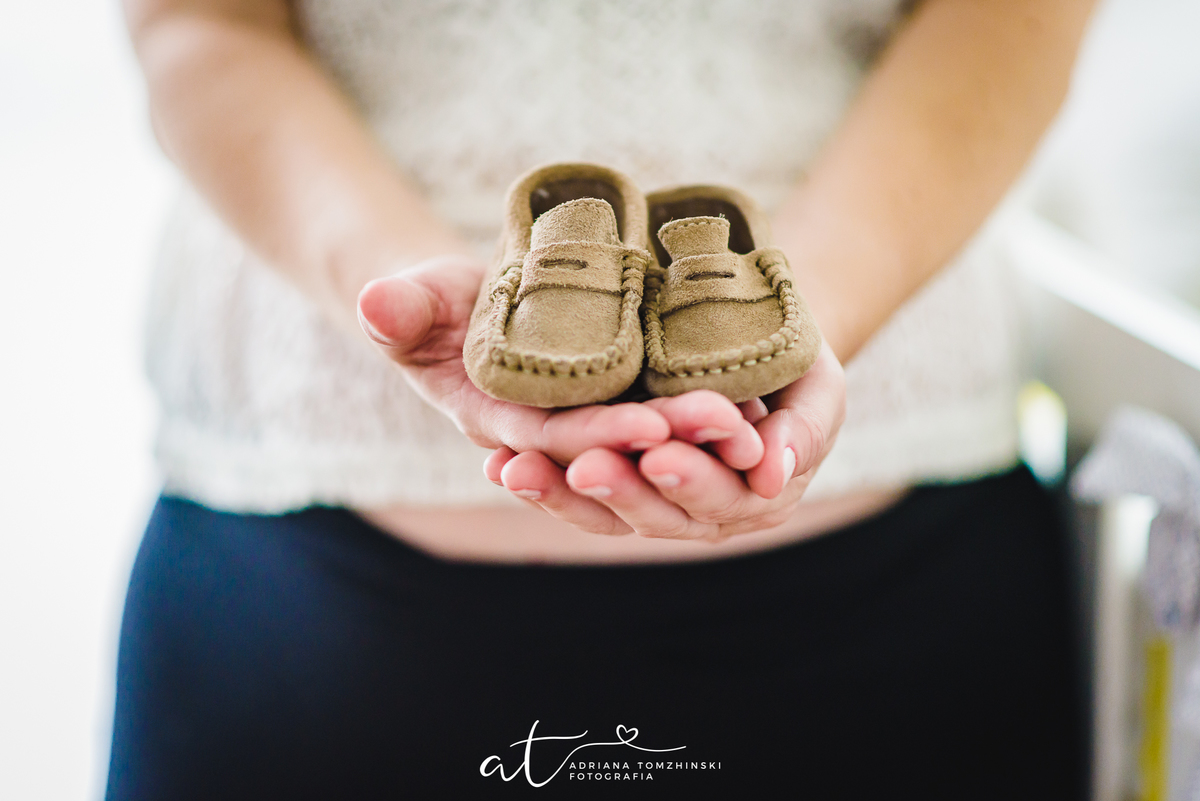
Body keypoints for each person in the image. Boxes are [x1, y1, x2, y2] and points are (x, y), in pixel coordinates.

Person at [108, 0, 1096, 797]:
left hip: (899, 593)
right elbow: (199, 23)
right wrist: (391, 280)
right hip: (304, 591)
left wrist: (821, 304)